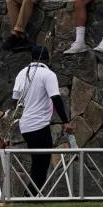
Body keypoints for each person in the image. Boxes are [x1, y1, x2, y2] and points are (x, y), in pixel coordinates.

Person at [11, 46, 72, 194]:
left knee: (37, 160)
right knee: (42, 162)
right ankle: (31, 195)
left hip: (25, 125)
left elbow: (15, 100)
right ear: (47, 58)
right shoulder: (48, 74)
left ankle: (32, 194)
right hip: (39, 125)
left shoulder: (22, 73)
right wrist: (66, 122)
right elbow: (56, 98)